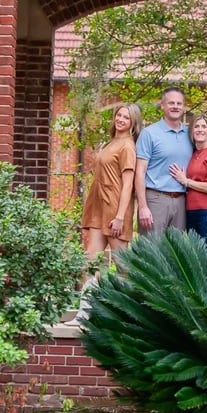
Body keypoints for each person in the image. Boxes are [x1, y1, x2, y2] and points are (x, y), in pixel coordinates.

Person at [67, 103, 142, 325]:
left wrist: (120, 216)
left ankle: (132, 316)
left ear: (133, 123)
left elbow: (128, 184)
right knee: (91, 261)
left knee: (123, 267)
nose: (120, 119)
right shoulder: (112, 142)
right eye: (119, 115)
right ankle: (84, 313)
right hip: (99, 208)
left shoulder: (128, 146)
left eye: (126, 118)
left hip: (115, 210)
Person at [134, 87, 194, 235]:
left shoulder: (190, 134)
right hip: (155, 200)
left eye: (179, 103)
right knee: (152, 252)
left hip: (182, 200)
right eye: (171, 103)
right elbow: (139, 172)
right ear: (162, 105)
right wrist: (142, 206)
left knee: (177, 252)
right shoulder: (149, 134)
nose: (175, 106)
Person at [169, 113, 207, 244]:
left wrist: (186, 181)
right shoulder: (193, 154)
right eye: (196, 126)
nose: (200, 130)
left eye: (203, 126)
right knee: (196, 257)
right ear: (192, 131)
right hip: (190, 211)